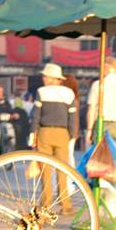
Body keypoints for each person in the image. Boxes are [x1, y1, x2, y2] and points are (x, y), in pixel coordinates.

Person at [30, 63, 78, 211]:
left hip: (44, 132)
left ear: (52, 78)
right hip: (62, 133)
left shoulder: (41, 92)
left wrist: (33, 134)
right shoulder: (69, 93)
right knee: (62, 169)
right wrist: (72, 135)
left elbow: (36, 117)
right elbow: (73, 117)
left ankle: (46, 203)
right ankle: (65, 204)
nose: (43, 79)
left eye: (45, 76)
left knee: (45, 170)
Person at [85, 56, 116, 155]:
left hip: (102, 124)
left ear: (105, 67)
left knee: (100, 156)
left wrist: (89, 130)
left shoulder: (98, 84)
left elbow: (92, 109)